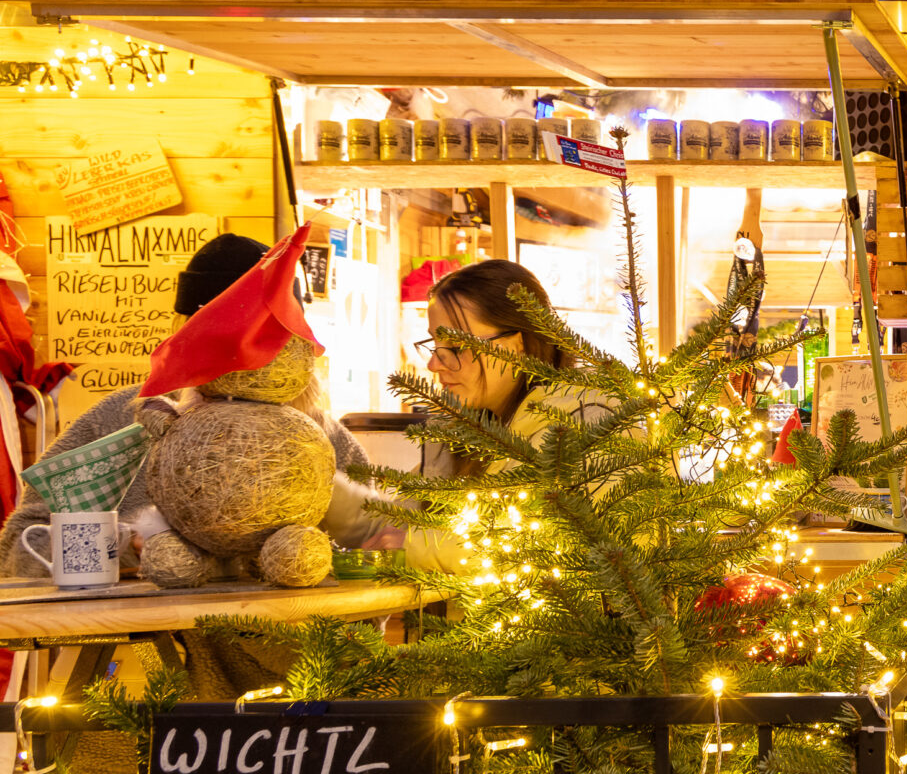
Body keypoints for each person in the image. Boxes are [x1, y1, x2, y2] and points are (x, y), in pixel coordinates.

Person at [1, 233, 382, 578]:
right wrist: (124, 546)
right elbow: (19, 548)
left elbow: (372, 557)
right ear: (184, 333)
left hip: (286, 646)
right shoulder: (123, 421)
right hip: (143, 647)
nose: (243, 355)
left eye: (265, 335)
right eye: (221, 337)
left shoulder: (323, 443)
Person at [401, 259, 596, 572]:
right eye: (435, 344)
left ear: (515, 346)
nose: (434, 364)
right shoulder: (466, 433)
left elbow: (540, 549)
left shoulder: (583, 423)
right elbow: (385, 521)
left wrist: (411, 546)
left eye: (455, 345)